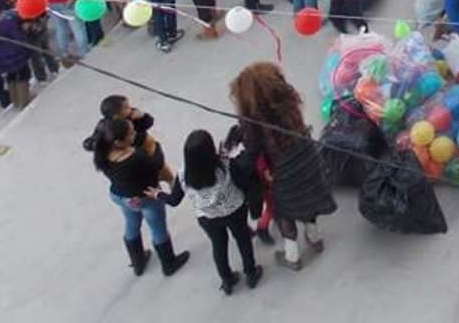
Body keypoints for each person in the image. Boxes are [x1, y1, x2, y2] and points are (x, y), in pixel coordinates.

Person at [230, 62, 336, 271]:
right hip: (308, 157)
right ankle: (315, 238)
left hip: (283, 170)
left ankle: (292, 256)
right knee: (308, 197)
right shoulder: (289, 105)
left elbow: (252, 150)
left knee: (283, 211)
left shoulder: (253, 120)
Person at [87, 112, 189, 277]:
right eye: (131, 134)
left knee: (131, 224)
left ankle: (138, 262)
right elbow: (157, 165)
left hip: (120, 196)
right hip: (145, 198)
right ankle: (169, 263)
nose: (134, 135)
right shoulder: (136, 157)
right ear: (119, 141)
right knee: (158, 229)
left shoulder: (103, 154)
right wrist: (156, 146)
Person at [178, 129, 263, 294]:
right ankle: (251, 273)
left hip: (208, 217)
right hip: (234, 211)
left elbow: (174, 199)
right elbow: (245, 184)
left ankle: (227, 280)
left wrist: (158, 194)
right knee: (243, 240)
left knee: (218, 246)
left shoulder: (183, 174)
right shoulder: (226, 166)